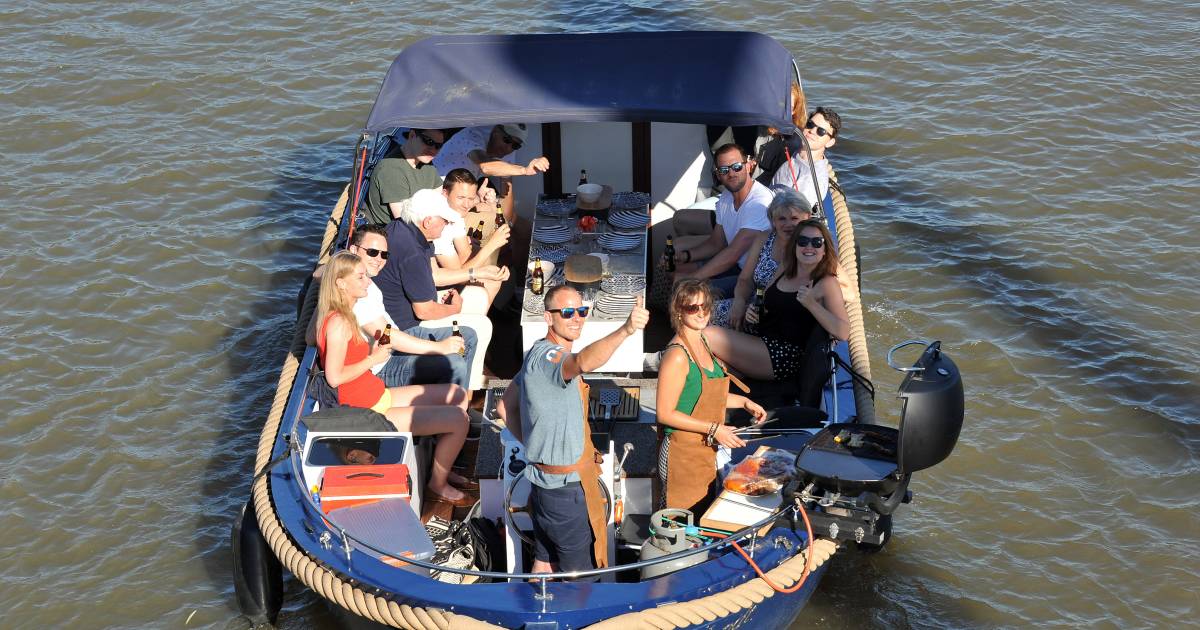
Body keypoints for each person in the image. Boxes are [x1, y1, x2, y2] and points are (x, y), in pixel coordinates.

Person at [496, 287, 650, 577]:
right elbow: (580, 363)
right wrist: (627, 330)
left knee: (544, 563)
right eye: (567, 312)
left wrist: (537, 449)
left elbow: (504, 407)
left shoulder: (534, 354)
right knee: (579, 578)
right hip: (566, 493)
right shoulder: (550, 358)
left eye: (582, 311)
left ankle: (537, 614)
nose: (577, 318)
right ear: (547, 317)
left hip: (543, 485)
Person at [314, 251, 474, 506]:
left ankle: (442, 463)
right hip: (367, 412)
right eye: (360, 277)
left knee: (458, 395)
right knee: (459, 420)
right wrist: (372, 359)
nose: (367, 281)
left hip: (378, 394)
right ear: (341, 283)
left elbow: (313, 338)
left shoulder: (341, 314)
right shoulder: (340, 323)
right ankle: (438, 483)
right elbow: (334, 378)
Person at [702, 220, 851, 407]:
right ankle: (715, 393)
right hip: (762, 337)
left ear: (824, 249)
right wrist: (755, 311)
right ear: (795, 245)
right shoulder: (786, 267)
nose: (808, 247)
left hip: (783, 355)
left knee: (706, 335)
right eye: (802, 241)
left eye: (816, 242)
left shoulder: (826, 283)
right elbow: (766, 301)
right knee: (704, 344)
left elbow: (843, 331)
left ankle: (681, 371)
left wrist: (812, 304)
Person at [375, 188, 507, 391]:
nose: (447, 225)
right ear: (428, 221)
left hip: (403, 308)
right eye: (445, 221)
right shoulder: (412, 252)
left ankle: (471, 380)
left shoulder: (404, 229)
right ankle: (466, 392)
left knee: (478, 295)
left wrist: (477, 273)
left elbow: (434, 276)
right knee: (480, 327)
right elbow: (424, 310)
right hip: (406, 326)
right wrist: (454, 309)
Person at [656, 280, 766, 513]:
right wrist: (716, 429)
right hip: (681, 455)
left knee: (700, 520)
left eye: (705, 306)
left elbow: (707, 396)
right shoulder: (677, 355)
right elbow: (665, 414)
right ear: (678, 310)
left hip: (702, 449)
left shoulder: (703, 341)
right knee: (679, 525)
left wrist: (744, 402)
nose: (700, 313)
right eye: (692, 308)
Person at [343, 224, 469, 388]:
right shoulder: (355, 290)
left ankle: (461, 399)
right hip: (380, 366)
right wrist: (440, 347)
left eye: (384, 254)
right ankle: (449, 408)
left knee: (468, 336)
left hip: (391, 345)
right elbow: (388, 336)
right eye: (372, 252)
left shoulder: (365, 280)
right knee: (454, 364)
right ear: (353, 250)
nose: (378, 259)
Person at [669, 143, 774, 297]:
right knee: (676, 270)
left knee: (691, 293)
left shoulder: (760, 202)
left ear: (748, 166)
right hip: (735, 266)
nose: (731, 173)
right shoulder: (726, 197)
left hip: (752, 277)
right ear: (718, 175)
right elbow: (716, 243)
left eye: (736, 166)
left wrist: (692, 279)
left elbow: (733, 254)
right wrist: (685, 256)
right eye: (724, 170)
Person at [712, 190, 811, 328]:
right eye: (782, 219)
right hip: (753, 301)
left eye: (794, 218)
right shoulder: (765, 238)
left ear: (807, 218)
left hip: (777, 315)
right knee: (696, 310)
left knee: (702, 317)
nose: (788, 224)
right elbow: (745, 278)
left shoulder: (812, 249)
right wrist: (739, 302)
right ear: (773, 221)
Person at [432, 123, 549, 224]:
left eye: (515, 145)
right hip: (437, 196)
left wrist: (507, 223)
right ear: (496, 131)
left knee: (522, 229)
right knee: (491, 222)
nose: (508, 148)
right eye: (507, 140)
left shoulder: (507, 150)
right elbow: (485, 166)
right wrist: (524, 170)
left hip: (462, 199)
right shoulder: (472, 135)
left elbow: (507, 211)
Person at [431, 169, 512, 306]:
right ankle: (470, 319)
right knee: (487, 278)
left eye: (470, 198)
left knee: (493, 274)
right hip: (434, 288)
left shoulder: (455, 215)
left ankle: (482, 317)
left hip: (452, 270)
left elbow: (465, 254)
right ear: (445, 194)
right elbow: (459, 277)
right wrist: (492, 245)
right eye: (461, 198)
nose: (467, 205)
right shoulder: (439, 226)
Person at [362, 128, 445, 225]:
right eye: (429, 141)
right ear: (412, 136)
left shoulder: (427, 164)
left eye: (438, 146)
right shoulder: (392, 169)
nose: (433, 149)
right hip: (394, 232)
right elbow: (406, 223)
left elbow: (440, 201)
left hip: (425, 223)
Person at [771, 107, 841, 215]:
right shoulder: (799, 152)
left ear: (830, 142)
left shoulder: (811, 179)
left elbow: (792, 217)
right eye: (810, 124)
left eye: (821, 131)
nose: (812, 131)